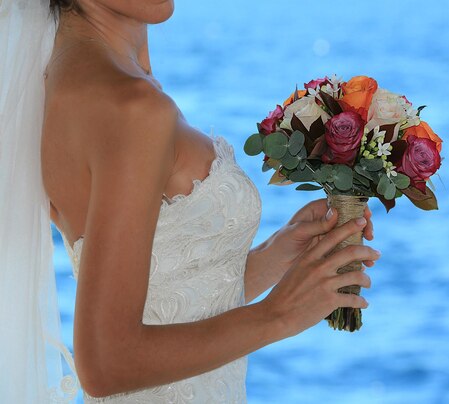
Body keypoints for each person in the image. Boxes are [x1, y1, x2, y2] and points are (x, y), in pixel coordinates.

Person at [0, 0, 380, 402]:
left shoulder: (71, 79)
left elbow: (164, 299)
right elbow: (106, 362)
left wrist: (274, 254)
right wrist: (278, 314)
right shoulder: (129, 107)